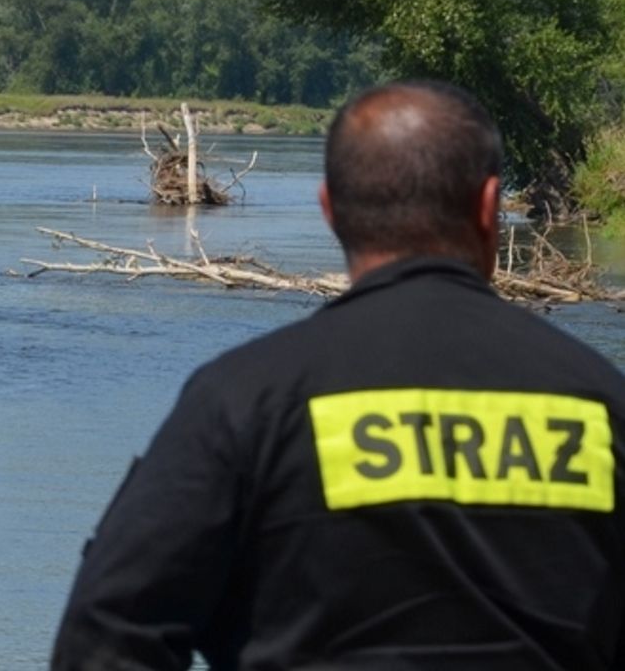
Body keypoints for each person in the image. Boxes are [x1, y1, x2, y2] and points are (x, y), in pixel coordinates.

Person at [51, 81, 625, 669]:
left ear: (331, 211)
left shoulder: (246, 402)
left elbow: (104, 633)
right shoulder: (601, 401)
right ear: (489, 207)